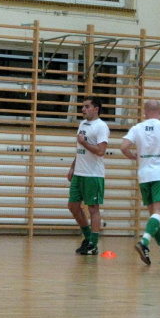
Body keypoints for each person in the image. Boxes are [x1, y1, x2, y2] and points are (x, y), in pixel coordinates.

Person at [121, 100, 160, 265]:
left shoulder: (137, 128)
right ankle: (144, 242)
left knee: (155, 216)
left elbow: (124, 146)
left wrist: (133, 156)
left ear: (145, 112)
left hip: (144, 175)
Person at [67, 96, 110, 255]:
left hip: (93, 175)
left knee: (93, 209)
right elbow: (80, 149)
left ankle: (94, 243)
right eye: (83, 106)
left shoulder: (101, 127)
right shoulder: (82, 124)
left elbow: (100, 151)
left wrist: (84, 143)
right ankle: (88, 238)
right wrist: (73, 167)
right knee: (73, 206)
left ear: (96, 109)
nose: (83, 109)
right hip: (79, 173)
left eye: (86, 106)